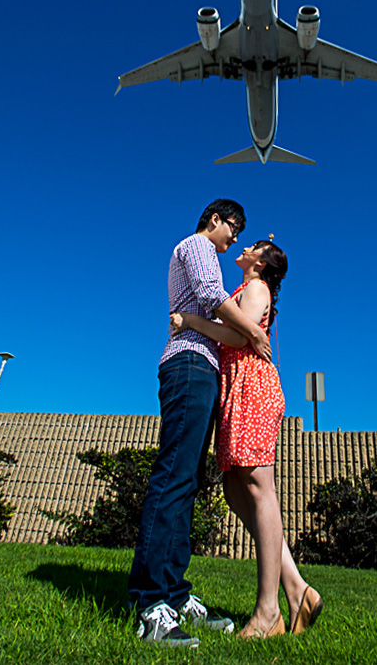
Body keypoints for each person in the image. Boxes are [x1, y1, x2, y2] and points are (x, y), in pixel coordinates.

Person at [128, 199, 271, 648]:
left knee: (186, 482)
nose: (234, 239)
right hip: (188, 363)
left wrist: (238, 330)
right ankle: (151, 604)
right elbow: (212, 297)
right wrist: (255, 331)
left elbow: (212, 316)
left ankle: (174, 592)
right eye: (234, 228)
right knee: (173, 477)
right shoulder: (196, 246)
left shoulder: (208, 252)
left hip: (203, 366)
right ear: (215, 220)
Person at [171, 238, 323, 639]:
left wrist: (188, 320)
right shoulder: (247, 289)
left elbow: (238, 338)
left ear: (261, 262)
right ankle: (297, 588)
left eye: (253, 246)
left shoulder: (257, 288)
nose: (245, 246)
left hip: (252, 386)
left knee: (258, 488)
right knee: (236, 490)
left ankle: (268, 610)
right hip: (236, 387)